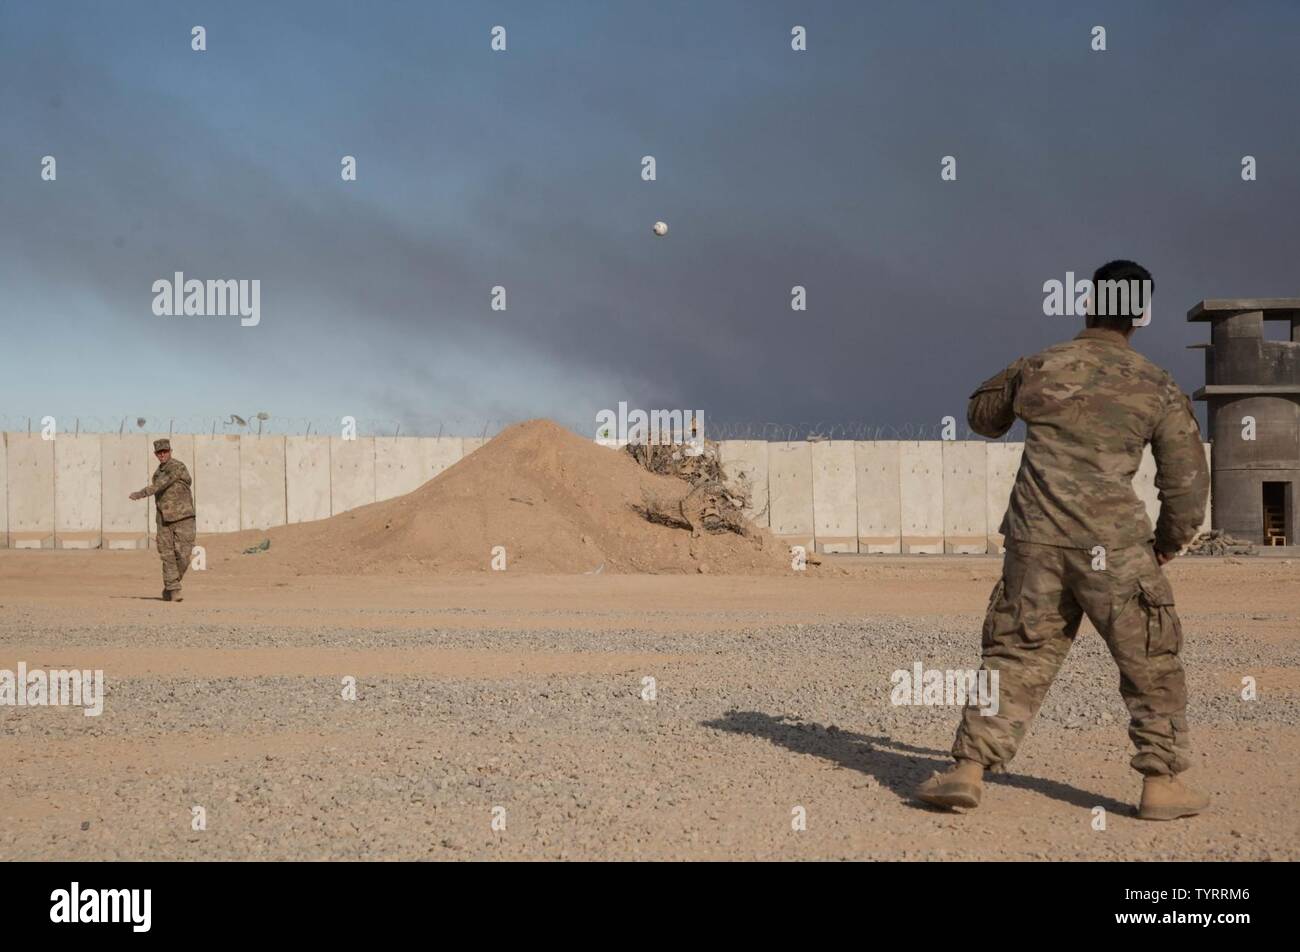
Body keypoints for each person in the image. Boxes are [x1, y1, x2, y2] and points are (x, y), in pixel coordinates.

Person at [915, 260, 1211, 820]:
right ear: (1141, 314)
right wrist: (1168, 543)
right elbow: (1187, 482)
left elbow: (982, 415)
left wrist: (1022, 376)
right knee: (1151, 659)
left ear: (1085, 303)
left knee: (1015, 653)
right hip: (1116, 544)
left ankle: (969, 770)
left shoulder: (1042, 365)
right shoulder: (1156, 384)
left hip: (1036, 540)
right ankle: (1161, 784)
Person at [129, 438, 196, 602]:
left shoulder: (177, 467)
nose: (163, 455)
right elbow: (159, 487)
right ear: (155, 454)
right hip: (163, 520)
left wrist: (141, 493)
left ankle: (169, 585)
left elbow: (162, 484)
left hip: (184, 517)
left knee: (184, 555)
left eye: (165, 451)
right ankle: (174, 589)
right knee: (167, 555)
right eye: (159, 453)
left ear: (170, 451)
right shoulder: (157, 474)